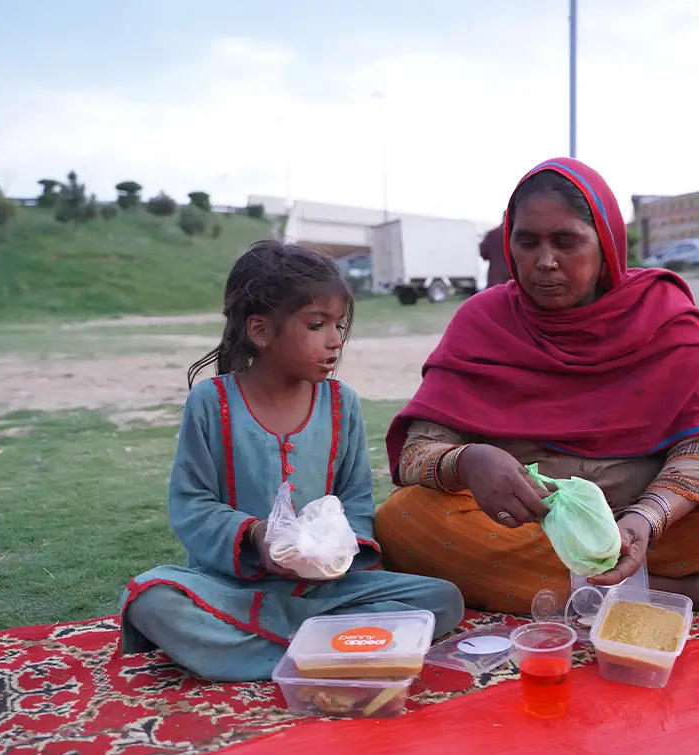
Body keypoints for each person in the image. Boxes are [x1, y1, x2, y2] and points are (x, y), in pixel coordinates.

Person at [374, 158, 699, 620]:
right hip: (531, 525)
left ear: (606, 243)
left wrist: (647, 519)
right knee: (403, 521)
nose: (545, 261)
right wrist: (469, 462)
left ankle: (576, 581)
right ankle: (672, 588)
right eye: (527, 242)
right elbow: (418, 455)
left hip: (654, 517)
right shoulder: (483, 319)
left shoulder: (662, 310)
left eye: (566, 241)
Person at [121, 240, 463, 681]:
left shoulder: (342, 404)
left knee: (444, 599)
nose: (336, 341)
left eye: (339, 325)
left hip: (326, 589)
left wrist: (334, 552)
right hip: (232, 587)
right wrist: (258, 537)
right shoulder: (212, 402)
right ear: (261, 331)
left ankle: (258, 649)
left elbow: (355, 499)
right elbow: (191, 504)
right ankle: (327, 648)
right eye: (317, 325)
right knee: (150, 598)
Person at [479, 223, 508, 289]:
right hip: (513, 279)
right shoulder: (516, 234)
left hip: (495, 279)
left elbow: (483, 253)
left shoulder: (492, 234)